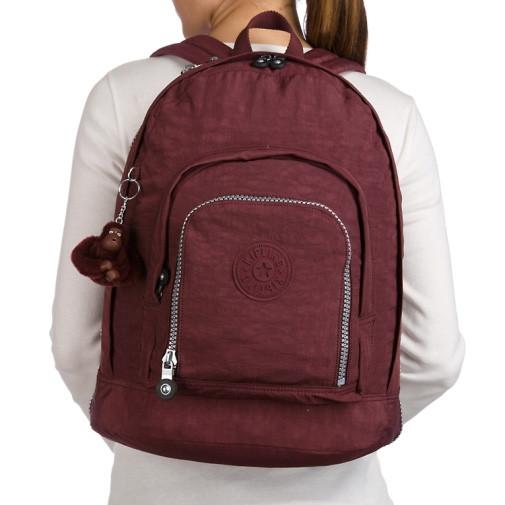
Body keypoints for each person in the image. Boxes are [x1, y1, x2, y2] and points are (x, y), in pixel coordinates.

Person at [49, 1, 466, 504]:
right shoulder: (388, 108)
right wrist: (335, 427)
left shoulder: (126, 93)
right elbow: (434, 358)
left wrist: (151, 433)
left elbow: (75, 344)